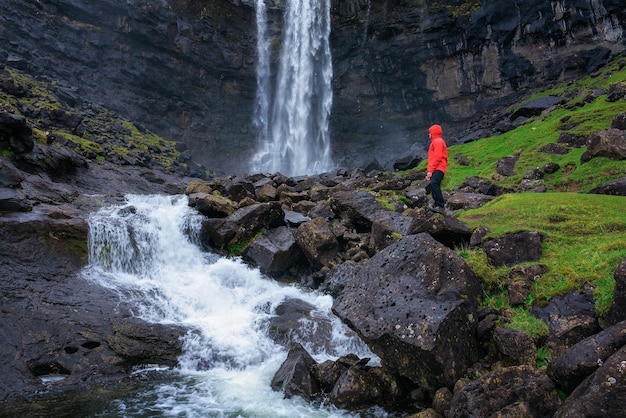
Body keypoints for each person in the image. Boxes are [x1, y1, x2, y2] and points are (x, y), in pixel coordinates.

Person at [425, 124, 448, 213]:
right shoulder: (437, 141)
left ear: (433, 133)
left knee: (434, 183)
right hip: (437, 167)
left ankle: (440, 205)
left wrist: (430, 170)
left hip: (439, 167)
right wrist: (430, 171)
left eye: (430, 133)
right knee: (434, 184)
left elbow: (437, 157)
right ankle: (437, 204)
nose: (429, 135)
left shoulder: (437, 141)